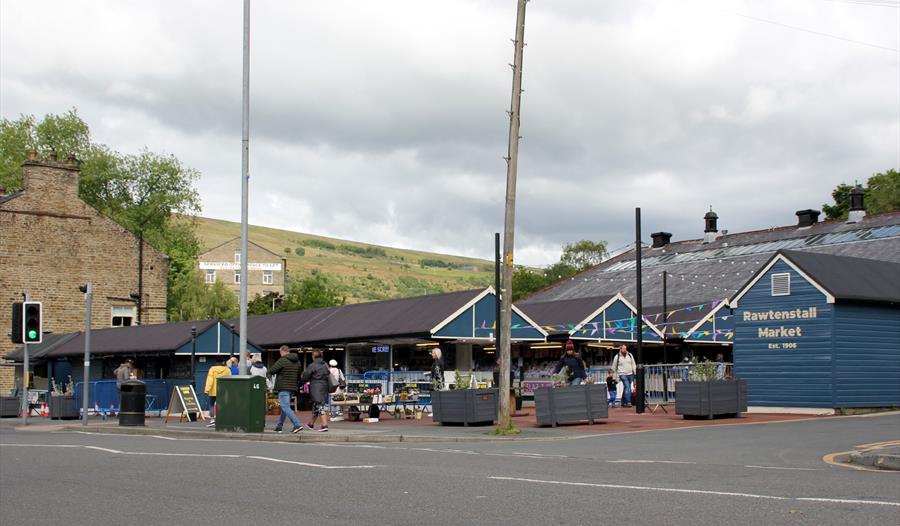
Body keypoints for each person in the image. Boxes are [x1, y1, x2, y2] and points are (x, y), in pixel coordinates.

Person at [268, 346, 303, 433]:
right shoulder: (297, 362)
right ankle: (279, 426)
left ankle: (297, 424)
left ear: (282, 352)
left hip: (283, 387)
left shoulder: (282, 360)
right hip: (292, 387)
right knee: (285, 407)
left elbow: (271, 370)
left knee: (285, 406)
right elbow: (299, 375)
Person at [300, 350, 331, 432]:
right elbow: (328, 373)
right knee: (316, 405)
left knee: (320, 406)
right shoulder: (325, 365)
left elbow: (305, 376)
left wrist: (301, 382)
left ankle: (324, 425)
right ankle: (311, 424)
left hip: (316, 386)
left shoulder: (313, 365)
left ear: (313, 356)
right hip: (324, 386)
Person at [204, 357, 231, 427]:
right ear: (222, 362)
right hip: (223, 391)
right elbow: (230, 380)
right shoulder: (227, 369)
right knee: (223, 405)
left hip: (213, 391)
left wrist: (207, 389)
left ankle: (212, 420)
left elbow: (210, 380)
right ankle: (222, 419)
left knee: (211, 405)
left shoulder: (212, 369)